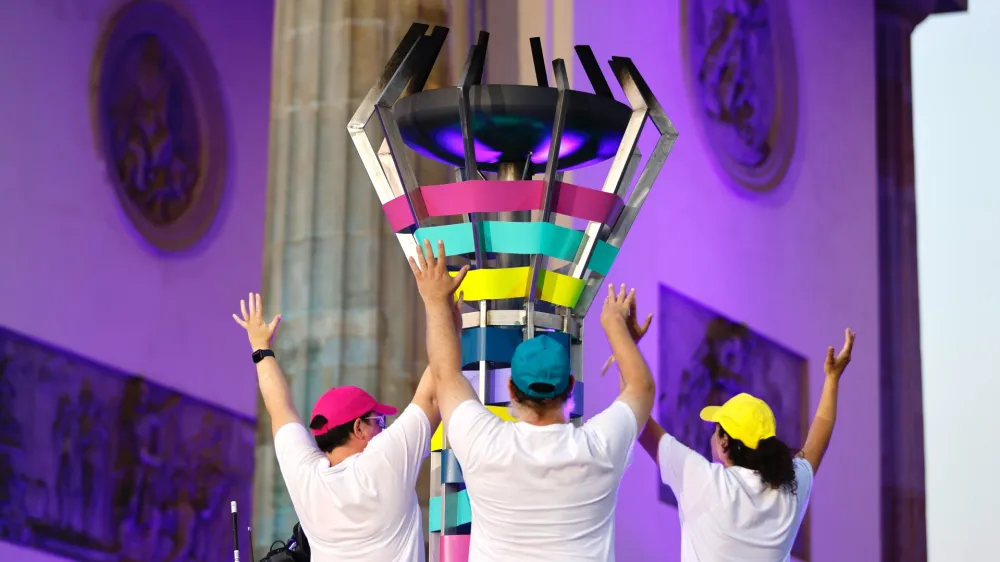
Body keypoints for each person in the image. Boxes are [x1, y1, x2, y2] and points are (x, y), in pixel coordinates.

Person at [407, 240, 656, 561]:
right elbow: (640, 389)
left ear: (511, 389)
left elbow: (445, 375)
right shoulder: (599, 449)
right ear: (570, 386)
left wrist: (435, 301)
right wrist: (615, 325)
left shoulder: (485, 444)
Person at [232, 292, 439, 562]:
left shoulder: (306, 478)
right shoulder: (384, 462)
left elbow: (280, 409)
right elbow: (432, 394)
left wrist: (260, 348)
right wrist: (441, 307)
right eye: (379, 422)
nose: (384, 429)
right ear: (359, 428)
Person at [636, 327, 857, 561]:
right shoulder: (788, 492)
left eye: (715, 430)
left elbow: (636, 415)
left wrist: (627, 344)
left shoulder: (705, 482)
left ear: (724, 443)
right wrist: (832, 379)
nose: (711, 437)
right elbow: (819, 434)